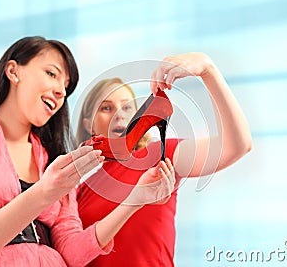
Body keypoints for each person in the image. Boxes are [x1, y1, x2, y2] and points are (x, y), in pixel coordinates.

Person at [0, 36, 176, 267]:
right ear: (13, 72)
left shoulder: (53, 162)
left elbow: (72, 254)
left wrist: (135, 200)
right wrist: (44, 192)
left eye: (66, 87)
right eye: (51, 74)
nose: (60, 91)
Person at [76, 52, 253, 266]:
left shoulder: (159, 155)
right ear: (89, 125)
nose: (118, 115)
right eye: (106, 108)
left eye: (127, 107)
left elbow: (237, 145)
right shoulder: (78, 191)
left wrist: (208, 71)